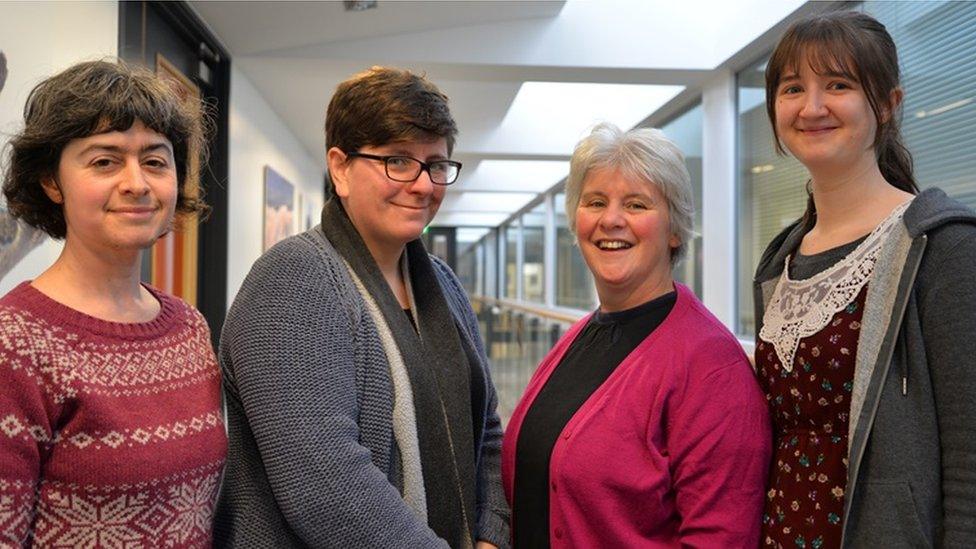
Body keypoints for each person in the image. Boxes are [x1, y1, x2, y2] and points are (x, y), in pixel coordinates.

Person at [214, 66, 509, 548]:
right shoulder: (294, 279)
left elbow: (488, 431)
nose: (422, 185)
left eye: (435, 164)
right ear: (339, 167)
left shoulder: (444, 286)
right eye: (397, 161)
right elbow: (324, 483)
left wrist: (492, 535)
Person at [754, 11, 976, 548]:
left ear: (887, 104)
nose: (812, 107)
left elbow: (970, 453)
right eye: (792, 88)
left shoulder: (942, 246)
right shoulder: (778, 262)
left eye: (838, 84)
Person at [501, 123, 771, 547]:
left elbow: (720, 537)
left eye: (636, 204)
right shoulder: (577, 339)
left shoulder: (711, 367)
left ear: (675, 228)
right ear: (577, 221)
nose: (611, 220)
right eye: (595, 202)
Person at [0, 60, 226, 547]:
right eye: (105, 161)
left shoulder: (189, 327)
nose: (137, 184)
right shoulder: (14, 343)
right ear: (51, 182)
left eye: (155, 160)